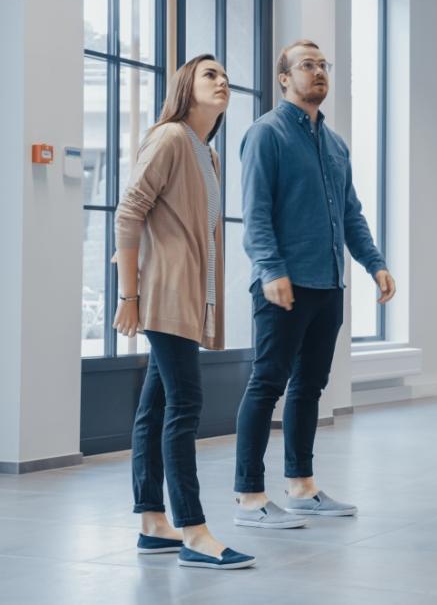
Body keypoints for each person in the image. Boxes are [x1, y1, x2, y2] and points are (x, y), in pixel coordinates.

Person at [233, 39, 395, 528]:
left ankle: (301, 487)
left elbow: (350, 214)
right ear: (285, 78)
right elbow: (255, 213)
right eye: (307, 65)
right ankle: (248, 498)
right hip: (283, 285)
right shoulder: (266, 134)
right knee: (266, 385)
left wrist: (375, 263)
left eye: (324, 65)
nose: (319, 72)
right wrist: (271, 270)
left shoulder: (335, 143)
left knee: (310, 386)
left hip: (328, 284)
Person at [115, 54, 255, 569]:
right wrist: (128, 295)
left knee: (156, 406)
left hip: (188, 295)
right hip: (164, 293)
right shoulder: (170, 138)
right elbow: (129, 211)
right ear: (185, 87)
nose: (222, 81)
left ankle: (153, 522)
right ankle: (194, 530)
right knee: (186, 404)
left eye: (225, 75)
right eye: (210, 74)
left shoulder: (206, 154)